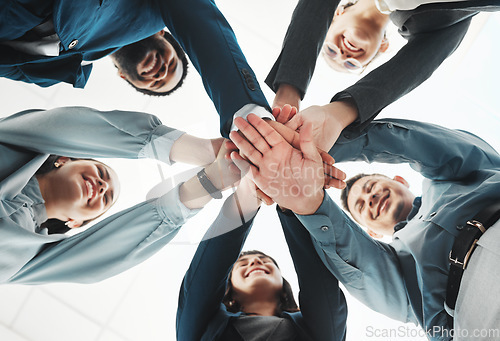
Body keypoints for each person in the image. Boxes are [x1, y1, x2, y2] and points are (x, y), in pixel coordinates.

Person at [230, 113, 500, 340]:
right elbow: (362, 263)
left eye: (370, 188)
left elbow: (421, 144)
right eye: (362, 207)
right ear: (370, 231)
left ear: (399, 179)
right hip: (478, 311)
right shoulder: (400, 266)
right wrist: (308, 198)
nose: (370, 199)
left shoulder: (447, 175)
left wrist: (323, 147)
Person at [0, 105, 243, 284]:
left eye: (105, 199)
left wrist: (210, 182)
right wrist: (204, 152)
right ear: (63, 159)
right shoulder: (12, 141)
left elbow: (103, 252)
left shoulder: (29, 256)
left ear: (75, 222)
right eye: (100, 172)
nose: (102, 187)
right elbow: (62, 127)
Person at [0, 0, 270, 136]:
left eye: (156, 83)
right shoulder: (153, 9)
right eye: (171, 63)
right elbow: (201, 22)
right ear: (165, 34)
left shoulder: (59, 74)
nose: (161, 73)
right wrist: (247, 116)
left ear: (124, 77)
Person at [265, 0, 500, 151]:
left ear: (337, 13)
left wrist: (288, 92)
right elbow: (417, 65)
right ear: (383, 47)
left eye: (330, 49)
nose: (344, 53)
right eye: (350, 64)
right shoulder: (437, 25)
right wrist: (338, 114)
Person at [176, 174, 347, 341]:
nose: (255, 261)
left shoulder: (318, 329)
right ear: (230, 289)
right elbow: (204, 277)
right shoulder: (206, 328)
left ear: (283, 284)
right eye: (242, 264)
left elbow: (318, 283)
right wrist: (246, 202)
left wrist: (290, 203)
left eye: (266, 262)